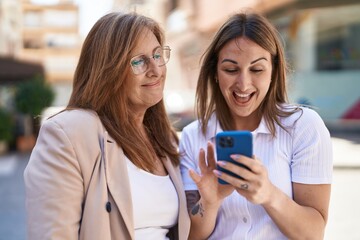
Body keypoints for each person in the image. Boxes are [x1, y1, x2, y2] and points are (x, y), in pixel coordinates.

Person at [24, 12, 190, 240]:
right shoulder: (69, 133)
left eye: (157, 55)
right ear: (108, 70)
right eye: (139, 61)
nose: (156, 69)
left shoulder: (166, 140)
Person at [179, 12, 332, 240]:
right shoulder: (193, 136)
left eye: (257, 70)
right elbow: (188, 236)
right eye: (231, 69)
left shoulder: (304, 127)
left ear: (273, 71)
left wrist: (269, 194)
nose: (243, 83)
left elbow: (314, 233)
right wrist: (210, 203)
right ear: (214, 74)